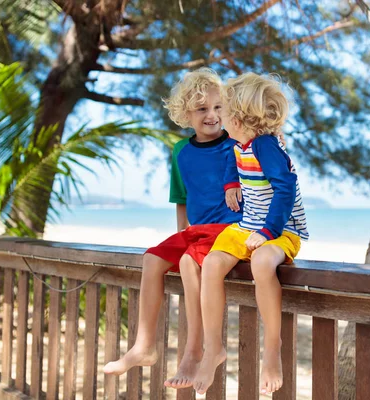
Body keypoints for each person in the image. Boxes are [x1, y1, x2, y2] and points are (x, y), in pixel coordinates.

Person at [104, 68, 242, 390]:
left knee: (188, 262)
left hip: (226, 230)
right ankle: (144, 346)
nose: (212, 115)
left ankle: (195, 350)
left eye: (218, 107)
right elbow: (181, 198)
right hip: (195, 231)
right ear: (186, 115)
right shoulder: (181, 151)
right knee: (152, 259)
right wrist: (180, 234)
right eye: (202, 109)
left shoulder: (235, 144)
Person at [193, 72, 309, 395]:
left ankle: (272, 347)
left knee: (261, 264)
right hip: (249, 225)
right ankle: (213, 347)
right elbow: (236, 160)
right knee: (212, 264)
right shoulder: (242, 143)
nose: (218, 116)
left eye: (224, 110)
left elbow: (286, 187)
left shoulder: (267, 145)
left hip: (281, 229)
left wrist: (269, 231)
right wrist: (231, 184)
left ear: (240, 117)